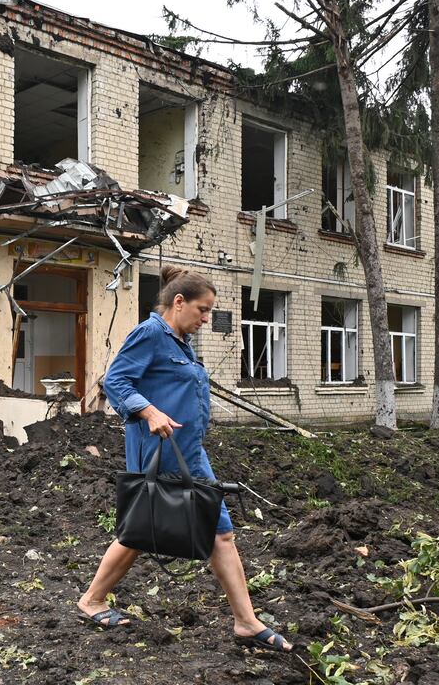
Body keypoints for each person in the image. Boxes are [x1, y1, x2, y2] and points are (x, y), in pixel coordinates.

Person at [76, 265, 294, 652]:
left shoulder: (179, 341)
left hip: (188, 451)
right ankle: (92, 599)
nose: (207, 319)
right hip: (159, 450)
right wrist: (150, 411)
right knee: (143, 527)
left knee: (216, 530)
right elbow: (115, 381)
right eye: (203, 310)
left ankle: (245, 621)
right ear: (179, 302)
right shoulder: (151, 334)